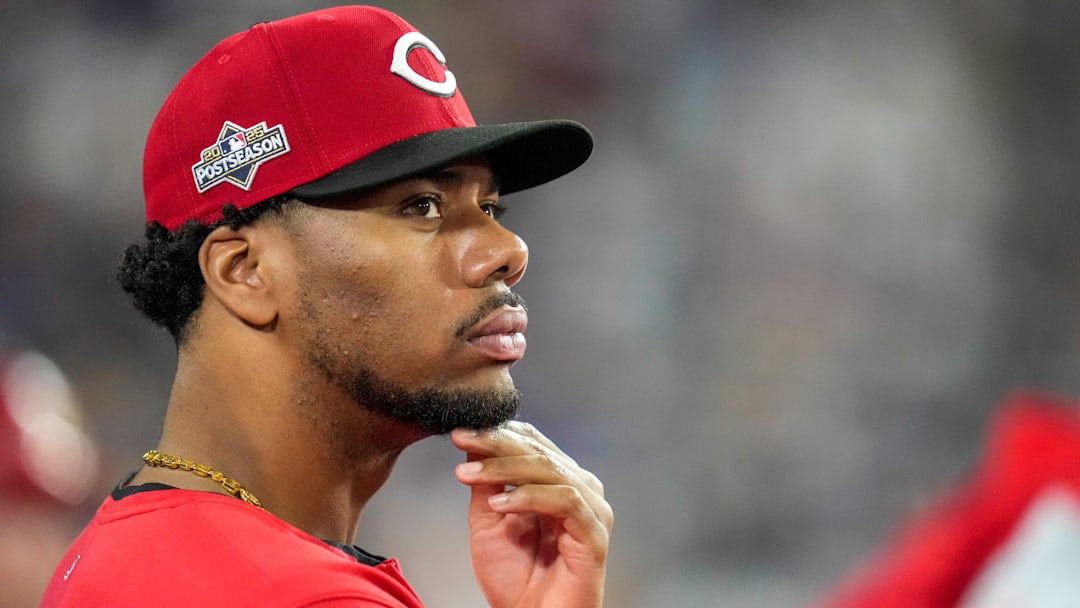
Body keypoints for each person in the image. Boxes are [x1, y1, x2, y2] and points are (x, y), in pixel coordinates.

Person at [42, 6, 612, 607]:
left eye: (491, 208)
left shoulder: (126, 546)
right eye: (421, 205)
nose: (507, 251)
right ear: (246, 272)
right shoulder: (301, 594)